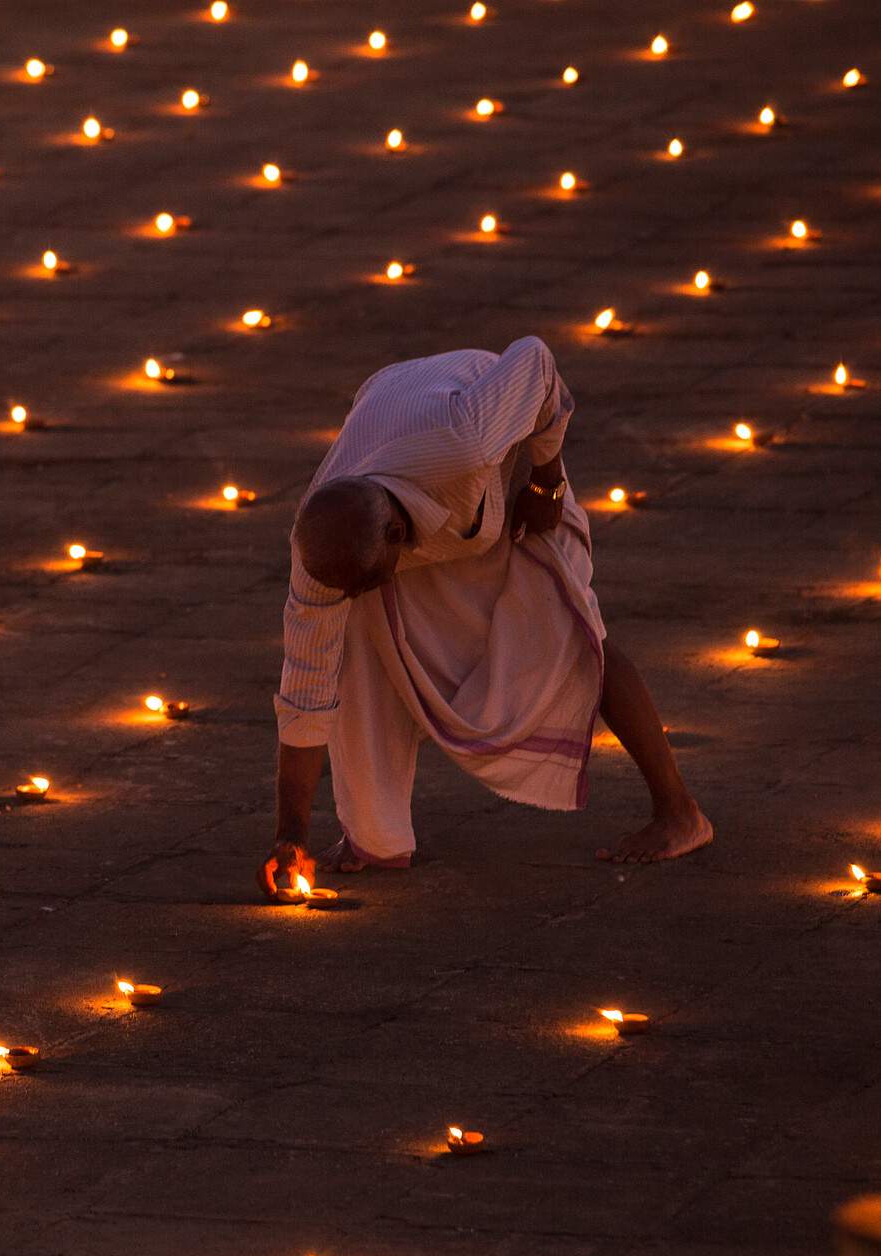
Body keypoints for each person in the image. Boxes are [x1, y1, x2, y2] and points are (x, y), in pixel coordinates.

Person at [263, 336, 711, 899]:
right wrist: (289, 833)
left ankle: (679, 811)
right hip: (394, 428)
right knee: (351, 642)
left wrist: (546, 480)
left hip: (505, 468)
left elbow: (538, 362)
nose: (354, 594)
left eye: (368, 579)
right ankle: (374, 837)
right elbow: (304, 690)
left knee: (574, 634)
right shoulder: (323, 549)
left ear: (398, 539)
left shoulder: (466, 438)